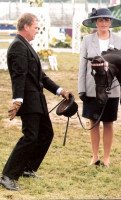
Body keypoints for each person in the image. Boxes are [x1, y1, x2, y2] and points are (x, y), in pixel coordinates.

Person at [0, 13, 72, 191]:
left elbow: (41, 77)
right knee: (30, 137)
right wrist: (17, 101)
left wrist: (59, 90)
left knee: (46, 134)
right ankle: (8, 175)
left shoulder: (26, 46)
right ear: (26, 27)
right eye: (35, 27)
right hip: (28, 101)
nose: (37, 31)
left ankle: (27, 168)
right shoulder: (18, 47)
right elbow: (19, 76)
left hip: (37, 100)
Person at [79, 8, 121, 167]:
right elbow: (82, 67)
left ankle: (106, 158)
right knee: (93, 122)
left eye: (106, 20)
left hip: (111, 90)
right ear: (95, 22)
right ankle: (94, 156)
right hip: (92, 88)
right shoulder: (87, 40)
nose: (103, 23)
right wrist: (82, 89)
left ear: (111, 22)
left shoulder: (119, 41)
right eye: (100, 20)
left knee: (108, 122)